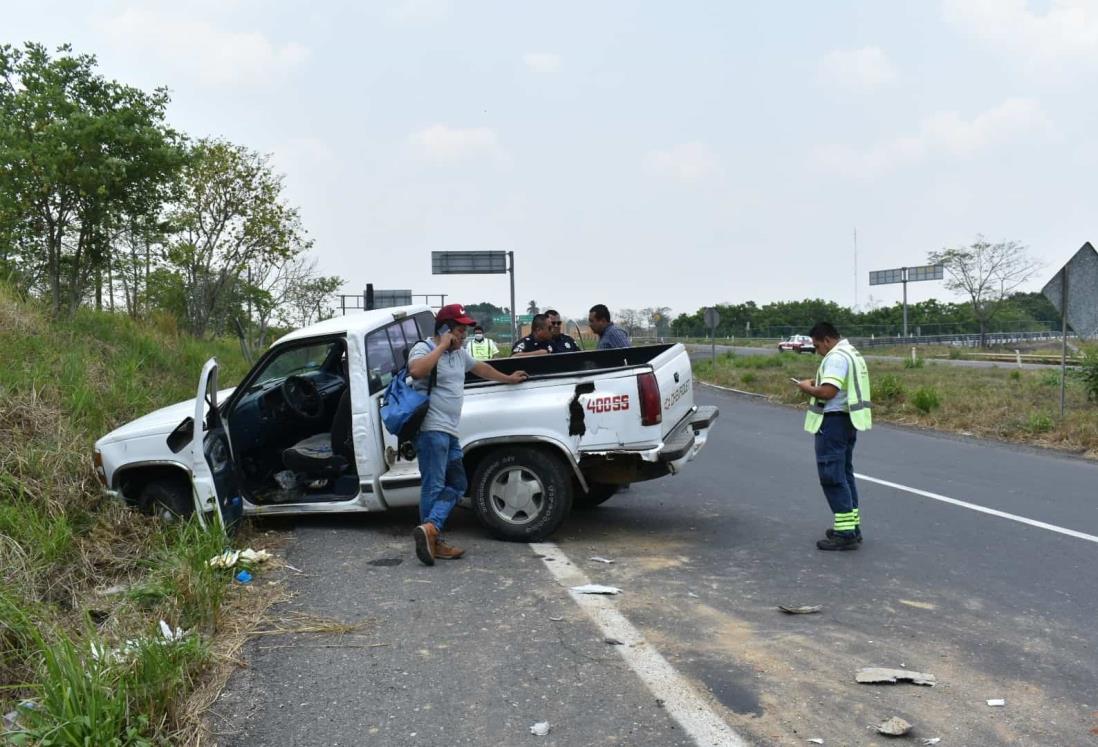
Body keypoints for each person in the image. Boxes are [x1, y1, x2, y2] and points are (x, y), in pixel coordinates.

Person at [408, 304, 528, 566]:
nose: (464, 335)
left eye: (464, 331)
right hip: (430, 430)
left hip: (450, 433)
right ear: (444, 329)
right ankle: (433, 538)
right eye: (460, 330)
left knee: (460, 484)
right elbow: (416, 371)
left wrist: (508, 378)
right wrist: (441, 346)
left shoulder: (459, 354)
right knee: (434, 486)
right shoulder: (425, 348)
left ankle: (431, 529)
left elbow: (481, 368)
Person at [794, 322, 872, 551]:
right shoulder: (852, 352)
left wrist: (805, 386)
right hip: (848, 421)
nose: (817, 351)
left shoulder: (836, 357)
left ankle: (845, 533)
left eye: (818, 346)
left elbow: (828, 392)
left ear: (827, 340)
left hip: (834, 422)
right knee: (845, 475)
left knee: (832, 475)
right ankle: (851, 527)